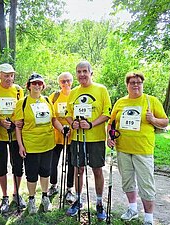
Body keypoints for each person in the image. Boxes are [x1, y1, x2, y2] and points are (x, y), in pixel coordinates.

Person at [107, 72, 169, 225]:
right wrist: (109, 137)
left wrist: (153, 119)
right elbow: (111, 123)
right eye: (132, 82)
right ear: (127, 85)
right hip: (123, 149)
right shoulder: (120, 102)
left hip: (143, 150)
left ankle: (148, 218)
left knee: (146, 184)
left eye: (139, 82)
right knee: (127, 182)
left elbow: (165, 121)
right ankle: (132, 209)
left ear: (142, 84)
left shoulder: (151, 101)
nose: (136, 84)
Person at [65, 61, 111, 220]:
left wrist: (91, 124)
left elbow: (107, 113)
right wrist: (73, 123)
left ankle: (99, 203)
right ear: (76, 74)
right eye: (79, 71)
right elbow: (67, 113)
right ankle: (78, 200)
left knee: (97, 170)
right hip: (77, 138)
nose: (82, 74)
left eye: (85, 71)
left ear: (91, 73)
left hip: (96, 138)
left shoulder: (101, 89)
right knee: (79, 170)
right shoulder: (73, 92)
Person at [14, 73, 65, 215]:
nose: (37, 85)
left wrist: (62, 129)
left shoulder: (47, 100)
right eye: (34, 83)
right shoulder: (22, 103)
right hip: (30, 144)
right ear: (29, 86)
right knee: (31, 174)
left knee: (45, 171)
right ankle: (31, 199)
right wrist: (20, 145)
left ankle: (44, 196)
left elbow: (54, 120)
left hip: (48, 143)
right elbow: (18, 126)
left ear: (43, 86)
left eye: (39, 83)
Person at [0, 63, 26, 213]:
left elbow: (21, 109)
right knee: (1, 167)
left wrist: (16, 122)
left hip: (16, 135)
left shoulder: (18, 90)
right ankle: (4, 196)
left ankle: (16, 194)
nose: (9, 78)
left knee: (18, 166)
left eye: (11, 75)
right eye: (6, 75)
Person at [47, 72, 75, 203]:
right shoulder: (54, 96)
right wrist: (61, 129)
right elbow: (51, 116)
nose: (66, 83)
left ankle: (70, 189)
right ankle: (53, 185)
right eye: (63, 81)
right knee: (53, 162)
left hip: (72, 135)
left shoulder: (76, 95)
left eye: (68, 81)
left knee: (71, 163)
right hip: (56, 135)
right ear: (59, 83)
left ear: (72, 81)